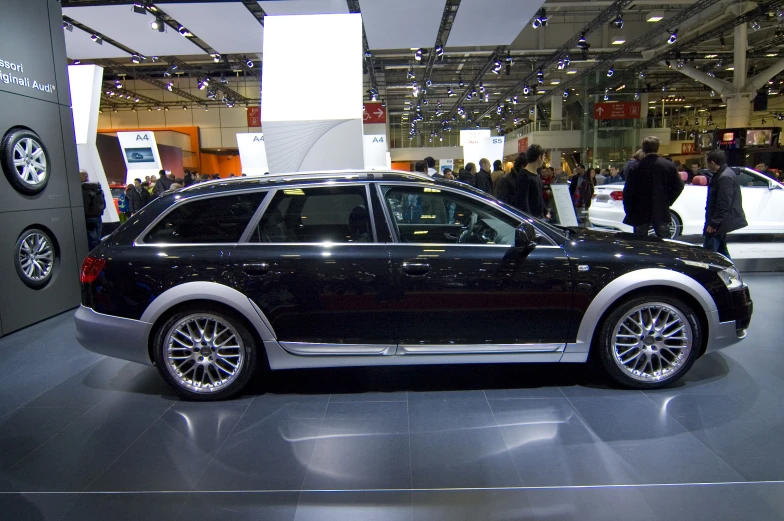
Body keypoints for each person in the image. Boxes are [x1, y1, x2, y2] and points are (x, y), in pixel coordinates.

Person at [622, 136, 685, 238]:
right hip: (660, 209)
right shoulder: (668, 165)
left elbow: (628, 192)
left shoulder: (636, 167)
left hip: (640, 210)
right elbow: (679, 186)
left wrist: (629, 210)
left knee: (639, 243)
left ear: (643, 149)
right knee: (665, 243)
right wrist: (667, 201)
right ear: (658, 148)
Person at [704, 150, 747, 258]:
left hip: (718, 223)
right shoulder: (724, 174)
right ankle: (730, 272)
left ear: (713, 163)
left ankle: (709, 274)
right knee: (721, 251)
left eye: (706, 162)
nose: (706, 165)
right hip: (720, 221)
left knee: (709, 253)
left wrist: (714, 223)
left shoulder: (724, 177)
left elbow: (724, 203)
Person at [520, 145, 549, 219]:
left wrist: (545, 211)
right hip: (533, 219)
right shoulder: (524, 175)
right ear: (539, 157)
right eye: (544, 157)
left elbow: (539, 196)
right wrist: (530, 219)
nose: (544, 160)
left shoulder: (536, 175)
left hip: (539, 217)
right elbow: (523, 201)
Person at [80, 170, 105, 250]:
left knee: (90, 241)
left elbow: (84, 204)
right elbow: (103, 203)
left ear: (84, 177)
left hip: (88, 218)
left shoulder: (83, 189)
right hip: (98, 217)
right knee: (97, 239)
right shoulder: (98, 188)